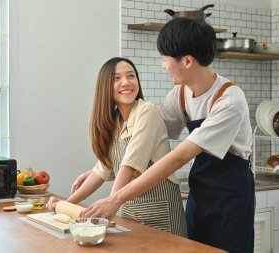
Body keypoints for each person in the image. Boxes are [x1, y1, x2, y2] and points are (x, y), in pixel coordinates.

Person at [78, 18, 255, 253]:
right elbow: (147, 136)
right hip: (200, 193)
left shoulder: (229, 100)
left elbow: (178, 157)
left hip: (231, 197)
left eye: (165, 59)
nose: (163, 66)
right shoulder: (180, 95)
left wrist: (117, 198)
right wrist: (99, 168)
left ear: (188, 61)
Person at [46, 57, 187, 237]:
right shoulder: (113, 121)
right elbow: (101, 170)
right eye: (117, 78)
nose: (126, 82)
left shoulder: (147, 111)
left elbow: (130, 165)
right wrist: (65, 204)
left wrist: (111, 204)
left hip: (162, 216)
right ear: (105, 86)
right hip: (130, 217)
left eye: (131, 76)